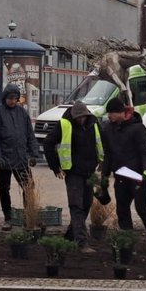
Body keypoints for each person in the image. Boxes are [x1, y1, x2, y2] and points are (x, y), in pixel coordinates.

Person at [42, 100, 103, 252]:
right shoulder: (64, 124)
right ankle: (82, 242)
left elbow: (102, 143)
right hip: (73, 172)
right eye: (78, 117)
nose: (81, 120)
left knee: (86, 204)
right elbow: (48, 143)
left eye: (83, 117)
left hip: (89, 171)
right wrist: (55, 167)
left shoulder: (94, 124)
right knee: (76, 206)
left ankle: (70, 236)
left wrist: (103, 162)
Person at [101, 97, 146, 243]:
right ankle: (128, 242)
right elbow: (108, 154)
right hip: (120, 176)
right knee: (122, 210)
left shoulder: (137, 128)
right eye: (108, 113)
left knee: (142, 209)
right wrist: (104, 175)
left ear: (121, 112)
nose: (109, 116)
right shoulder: (108, 129)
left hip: (137, 176)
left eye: (112, 113)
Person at [0, 83, 38, 230]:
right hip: (4, 159)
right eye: (10, 98)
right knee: (4, 188)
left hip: (21, 158)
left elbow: (30, 134)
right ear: (5, 98)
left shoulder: (22, 113)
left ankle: (29, 216)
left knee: (29, 187)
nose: (13, 101)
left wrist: (33, 153)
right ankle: (8, 217)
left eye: (15, 98)